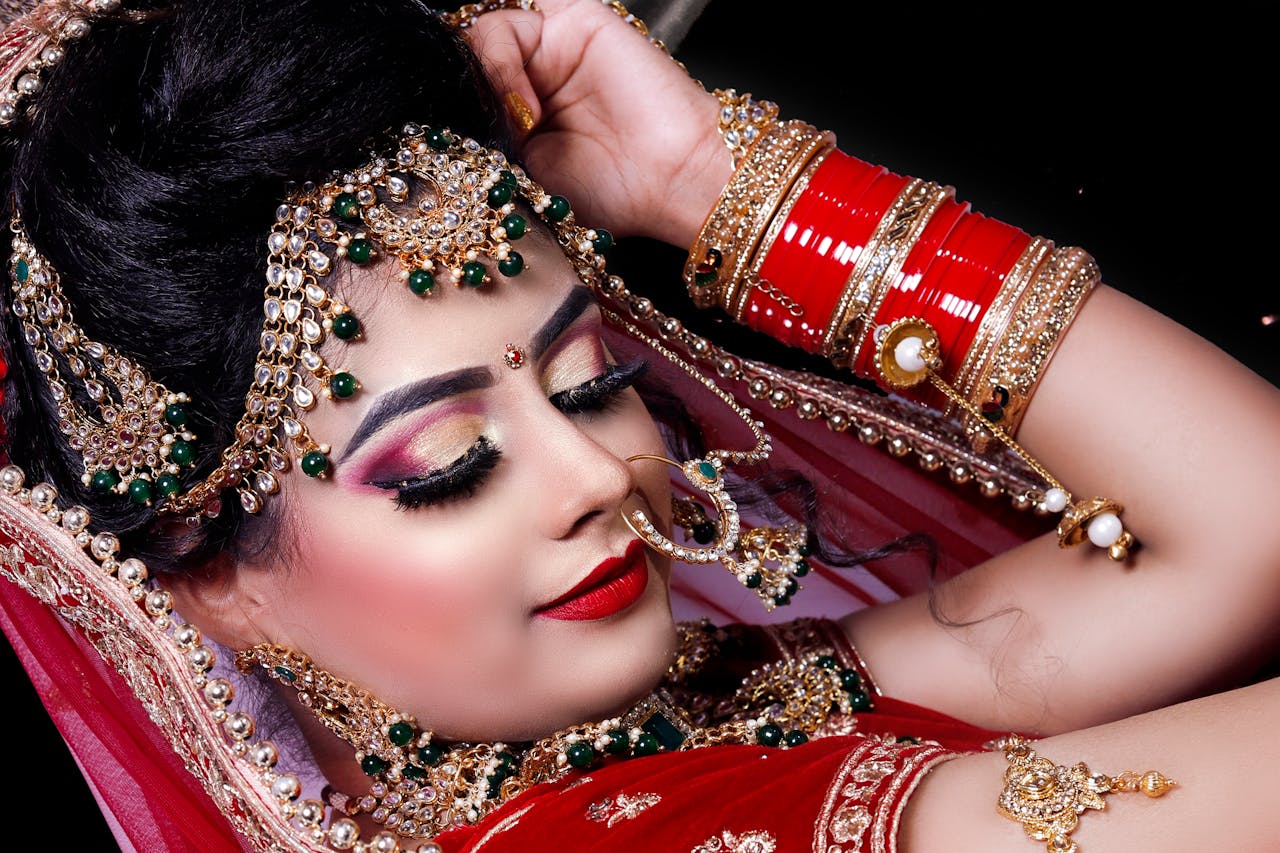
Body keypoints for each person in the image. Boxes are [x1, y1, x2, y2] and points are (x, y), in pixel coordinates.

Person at [1, 1, 1277, 852]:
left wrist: (708, 182)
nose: (596, 474)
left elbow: (1245, 524)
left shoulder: (698, 725)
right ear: (209, 578)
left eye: (587, 381)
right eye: (447, 467)